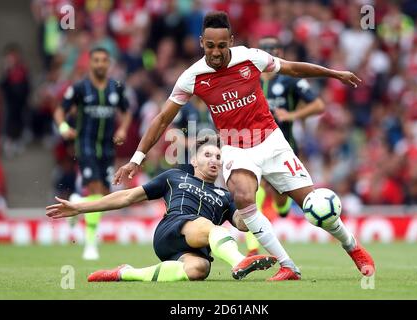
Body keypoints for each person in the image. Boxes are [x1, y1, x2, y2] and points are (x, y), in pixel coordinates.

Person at [113, 11, 375, 280]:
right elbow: (162, 119)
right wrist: (137, 158)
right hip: (237, 148)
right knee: (243, 197)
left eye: (222, 45)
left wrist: (334, 74)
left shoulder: (251, 57)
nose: (216, 52)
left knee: (314, 207)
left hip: (272, 142)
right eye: (210, 45)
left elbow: (293, 68)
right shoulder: (192, 76)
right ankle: (288, 266)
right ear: (202, 41)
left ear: (231, 41)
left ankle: (353, 248)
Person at [46, 135, 277, 282]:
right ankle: (238, 262)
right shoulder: (174, 177)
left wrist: (247, 199)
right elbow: (127, 196)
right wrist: (79, 208)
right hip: (172, 229)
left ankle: (126, 273)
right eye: (207, 155)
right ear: (195, 161)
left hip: (195, 248)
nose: (214, 160)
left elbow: (244, 224)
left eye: (218, 156)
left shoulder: (226, 196)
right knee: (208, 226)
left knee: (199, 270)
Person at [245, 36, 326, 256]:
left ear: (280, 52)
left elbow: (319, 105)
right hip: (255, 145)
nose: (269, 51)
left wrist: (292, 114)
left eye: (273, 48)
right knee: (255, 191)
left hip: (284, 146)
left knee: (281, 197)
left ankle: (282, 208)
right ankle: (252, 248)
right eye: (264, 49)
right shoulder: (249, 79)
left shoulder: (290, 80)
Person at [54, 47, 132, 260]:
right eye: (96, 60)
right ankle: (90, 244)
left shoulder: (116, 87)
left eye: (104, 60)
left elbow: (126, 112)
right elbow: (59, 110)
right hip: (85, 144)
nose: (100, 64)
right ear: (90, 63)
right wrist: (63, 128)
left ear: (109, 64)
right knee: (96, 189)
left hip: (107, 147)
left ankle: (76, 202)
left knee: (103, 195)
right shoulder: (80, 87)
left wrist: (123, 128)